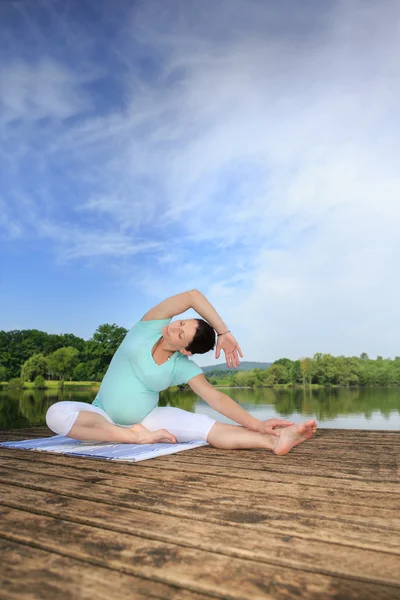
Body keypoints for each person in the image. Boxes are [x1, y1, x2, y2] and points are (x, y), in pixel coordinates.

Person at [46, 289, 317, 455]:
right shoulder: (147, 327)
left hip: (147, 418)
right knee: (55, 414)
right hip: (101, 414)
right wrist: (224, 332)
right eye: (182, 322)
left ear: (185, 350)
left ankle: (275, 442)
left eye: (182, 333)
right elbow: (192, 296)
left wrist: (257, 424)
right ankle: (133, 437)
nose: (175, 326)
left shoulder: (182, 366)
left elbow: (215, 399)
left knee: (207, 428)